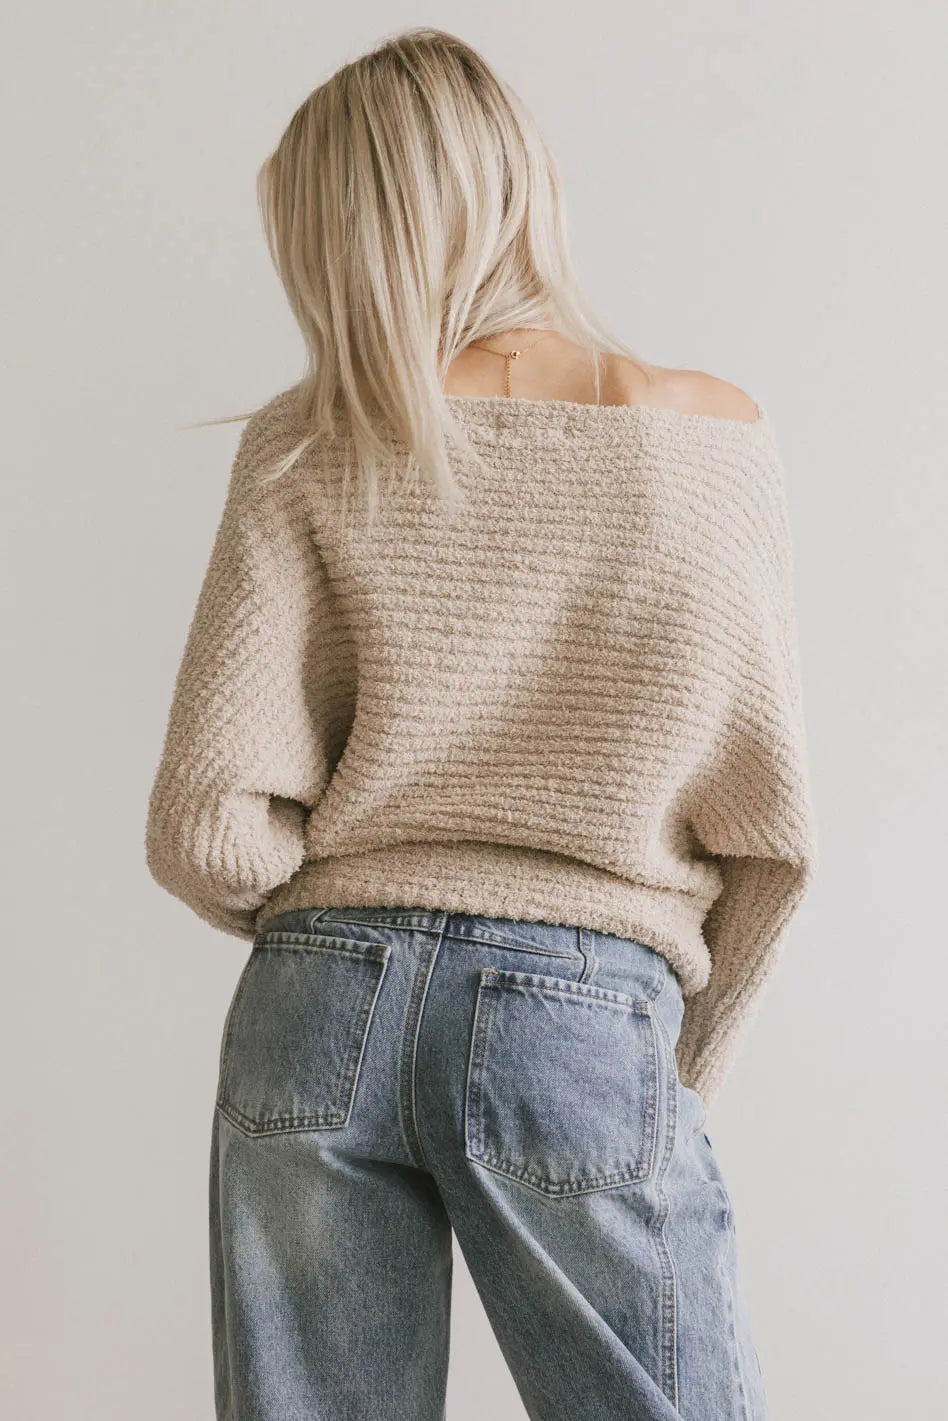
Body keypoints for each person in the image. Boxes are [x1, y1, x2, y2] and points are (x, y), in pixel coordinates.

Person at [145, 25, 817, 1421]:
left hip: (318, 998)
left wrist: (338, 914)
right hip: (582, 1004)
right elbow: (768, 835)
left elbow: (207, 823)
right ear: (522, 186)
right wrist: (662, 1068)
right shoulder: (707, 441)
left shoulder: (305, 438)